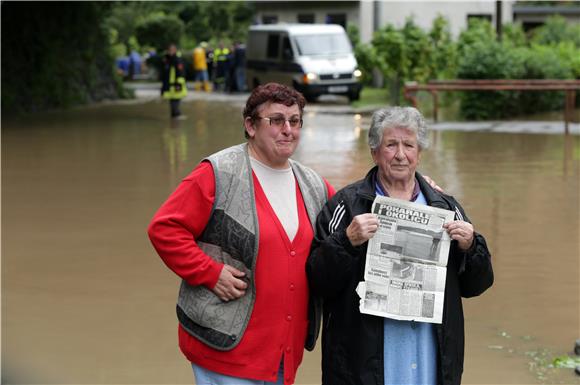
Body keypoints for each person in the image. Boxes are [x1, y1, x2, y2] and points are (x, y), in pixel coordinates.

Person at [148, 82, 335, 385]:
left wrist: (418, 189)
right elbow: (165, 228)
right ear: (250, 126)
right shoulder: (218, 172)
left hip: (282, 354)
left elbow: (353, 217)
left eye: (295, 120)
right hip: (226, 349)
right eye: (276, 121)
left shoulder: (313, 184)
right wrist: (209, 273)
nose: (288, 129)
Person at [306, 106, 494, 385]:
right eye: (391, 144)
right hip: (363, 364)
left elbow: (477, 285)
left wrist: (471, 245)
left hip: (430, 359)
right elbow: (317, 281)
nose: (400, 154)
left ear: (419, 153)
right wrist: (347, 242)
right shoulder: (346, 205)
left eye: (409, 145)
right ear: (374, 152)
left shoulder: (444, 206)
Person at [161, 43, 187, 119]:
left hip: (176, 84)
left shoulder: (177, 59)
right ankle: (174, 116)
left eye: (172, 50)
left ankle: (176, 115)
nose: (170, 51)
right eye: (169, 50)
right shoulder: (167, 59)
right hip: (169, 85)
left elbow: (181, 72)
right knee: (172, 100)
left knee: (176, 100)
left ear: (175, 50)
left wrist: (178, 84)